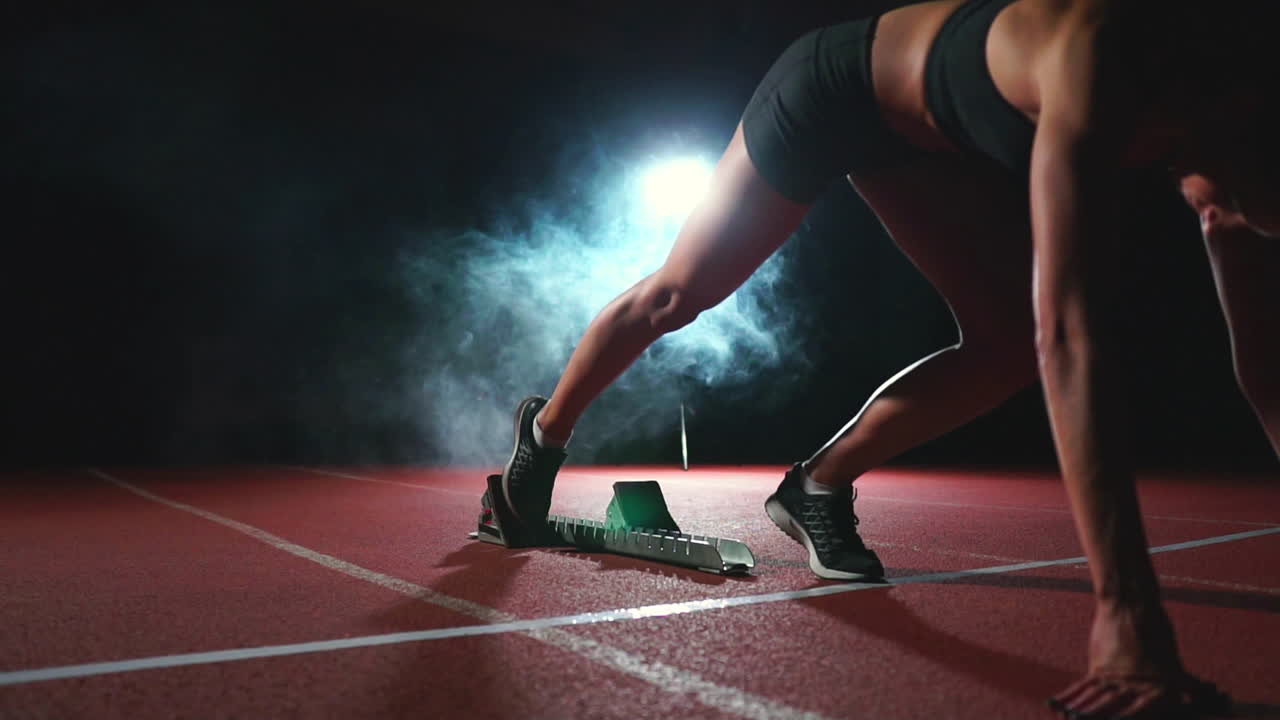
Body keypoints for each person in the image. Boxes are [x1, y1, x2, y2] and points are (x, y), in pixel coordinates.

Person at [497, 0, 1280, 716]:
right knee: (680, 292)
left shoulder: (1227, 148)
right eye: (1244, 206)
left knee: (1003, 344)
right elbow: (1072, 337)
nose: (1226, 217)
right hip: (831, 89)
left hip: (917, 138)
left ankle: (817, 487)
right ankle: (546, 433)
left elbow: (1267, 368)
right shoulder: (1106, 58)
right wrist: (1127, 614)